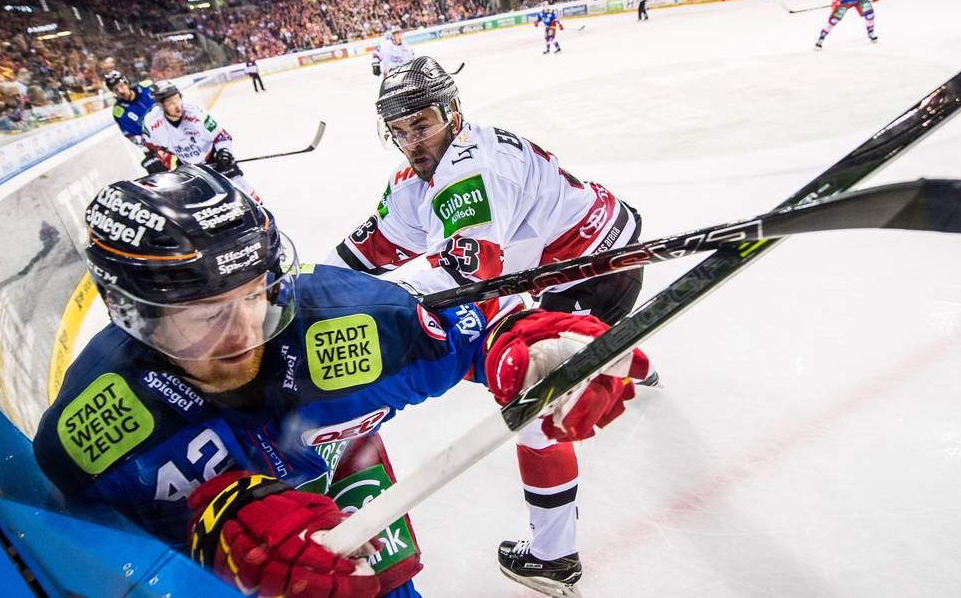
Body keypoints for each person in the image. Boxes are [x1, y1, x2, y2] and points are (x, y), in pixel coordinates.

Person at [32, 164, 652, 598]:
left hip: (359, 527)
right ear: (134, 315)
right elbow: (93, 556)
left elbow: (476, 333)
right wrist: (209, 536)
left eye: (259, 298)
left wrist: (528, 349)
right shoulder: (94, 428)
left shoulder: (348, 323)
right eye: (205, 317)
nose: (246, 331)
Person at [327, 56, 650, 596]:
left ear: (453, 113)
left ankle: (552, 558)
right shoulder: (413, 180)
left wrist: (379, 305)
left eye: (423, 123)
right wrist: (299, 294)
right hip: (585, 256)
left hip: (593, 270)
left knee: (534, 407)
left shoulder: (469, 167)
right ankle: (624, 355)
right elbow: (367, 251)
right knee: (543, 356)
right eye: (400, 131)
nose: (413, 141)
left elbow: (471, 271)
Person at [141, 81, 258, 199]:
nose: (177, 106)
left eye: (177, 99)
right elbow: (150, 144)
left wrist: (224, 152)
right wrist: (155, 157)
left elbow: (221, 136)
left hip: (214, 159)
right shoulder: (152, 122)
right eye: (170, 103)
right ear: (161, 105)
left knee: (243, 191)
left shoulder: (197, 115)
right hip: (188, 168)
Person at [103, 70, 164, 174]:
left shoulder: (147, 87)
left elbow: (168, 100)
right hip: (154, 147)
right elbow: (131, 135)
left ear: (126, 82)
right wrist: (149, 145)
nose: (121, 91)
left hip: (173, 131)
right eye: (116, 90)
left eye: (121, 86)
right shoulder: (119, 112)